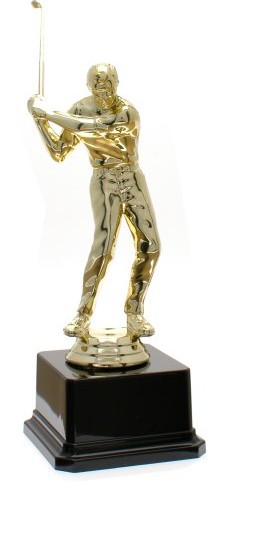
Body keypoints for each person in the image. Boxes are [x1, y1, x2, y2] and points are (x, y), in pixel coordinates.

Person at [28, 63, 160, 340]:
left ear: (117, 84)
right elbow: (59, 151)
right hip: (103, 179)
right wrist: (39, 122)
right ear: (88, 86)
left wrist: (49, 113)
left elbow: (97, 128)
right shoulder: (79, 108)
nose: (104, 89)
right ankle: (83, 314)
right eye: (98, 84)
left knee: (151, 246)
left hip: (132, 177)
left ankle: (134, 311)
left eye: (109, 83)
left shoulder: (127, 111)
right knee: (103, 247)